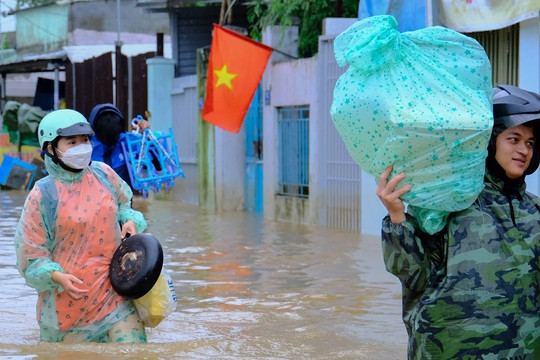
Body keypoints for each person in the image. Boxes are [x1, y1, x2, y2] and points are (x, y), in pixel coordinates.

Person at [376, 84, 540, 359]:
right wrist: (396, 216)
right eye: (514, 139)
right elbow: (413, 275)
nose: (524, 149)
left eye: (531, 143)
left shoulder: (535, 211)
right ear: (489, 140)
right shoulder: (449, 200)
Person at [13, 109, 148, 343]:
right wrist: (56, 276)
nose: (81, 146)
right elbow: (31, 255)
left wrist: (130, 221)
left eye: (84, 140)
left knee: (134, 352)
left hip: (114, 292)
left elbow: (124, 204)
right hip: (69, 303)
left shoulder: (104, 174)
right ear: (50, 148)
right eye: (72, 142)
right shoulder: (42, 195)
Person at [88, 104, 152, 192]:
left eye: (115, 135)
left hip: (122, 199)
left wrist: (145, 132)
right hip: (96, 199)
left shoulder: (126, 140)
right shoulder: (87, 145)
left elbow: (149, 147)